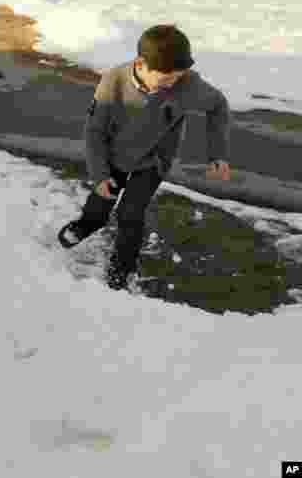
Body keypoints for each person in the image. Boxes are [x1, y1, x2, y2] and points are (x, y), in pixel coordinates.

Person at [56, 25, 232, 290]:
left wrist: (216, 153)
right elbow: (94, 131)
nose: (172, 83)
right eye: (166, 78)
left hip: (153, 161)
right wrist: (100, 174)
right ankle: (87, 224)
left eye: (178, 76)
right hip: (114, 155)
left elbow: (218, 106)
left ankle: (122, 269)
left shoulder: (187, 84)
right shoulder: (114, 81)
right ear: (141, 64)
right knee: (101, 199)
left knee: (131, 214)